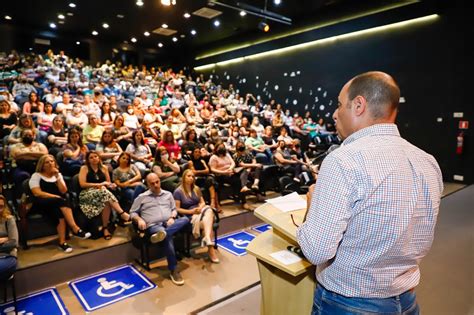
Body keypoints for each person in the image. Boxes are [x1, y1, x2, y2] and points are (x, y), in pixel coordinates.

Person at [296, 71, 443, 314]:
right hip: (405, 302)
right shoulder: (427, 161)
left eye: (339, 104)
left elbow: (316, 250)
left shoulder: (343, 160)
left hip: (348, 304)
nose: (334, 113)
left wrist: (312, 206)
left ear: (358, 105)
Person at [130, 173, 189, 286]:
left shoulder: (168, 194)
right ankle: (173, 270)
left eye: (157, 182)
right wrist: (139, 220)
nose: (156, 185)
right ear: (147, 184)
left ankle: (162, 235)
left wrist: (172, 217)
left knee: (185, 219)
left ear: (159, 181)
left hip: (169, 223)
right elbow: (132, 213)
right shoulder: (142, 197)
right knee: (167, 237)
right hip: (153, 226)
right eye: (152, 183)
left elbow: (174, 209)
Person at [29, 155, 91, 252]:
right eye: (47, 162)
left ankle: (62, 242)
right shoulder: (36, 175)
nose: (50, 164)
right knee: (60, 201)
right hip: (41, 202)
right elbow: (37, 192)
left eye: (52, 161)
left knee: (59, 212)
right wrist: (53, 196)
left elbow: (63, 191)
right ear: (42, 165)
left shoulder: (58, 175)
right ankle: (75, 228)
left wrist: (57, 177)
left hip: (57, 203)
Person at [78, 151, 131, 240]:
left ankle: (105, 228)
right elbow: (82, 184)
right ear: (88, 160)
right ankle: (122, 213)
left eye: (96, 156)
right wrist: (98, 185)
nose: (94, 159)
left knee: (106, 200)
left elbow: (108, 183)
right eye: (91, 157)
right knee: (104, 191)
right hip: (87, 193)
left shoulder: (104, 168)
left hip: (103, 193)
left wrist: (112, 185)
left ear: (99, 158)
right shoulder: (84, 168)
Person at [173, 169, 220, 263]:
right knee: (208, 224)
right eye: (188, 176)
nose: (191, 178)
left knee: (209, 210)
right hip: (189, 215)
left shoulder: (196, 188)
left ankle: (207, 238)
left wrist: (200, 207)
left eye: (192, 176)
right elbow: (177, 209)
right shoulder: (178, 192)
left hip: (201, 211)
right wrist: (191, 211)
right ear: (183, 177)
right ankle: (211, 250)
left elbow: (202, 202)